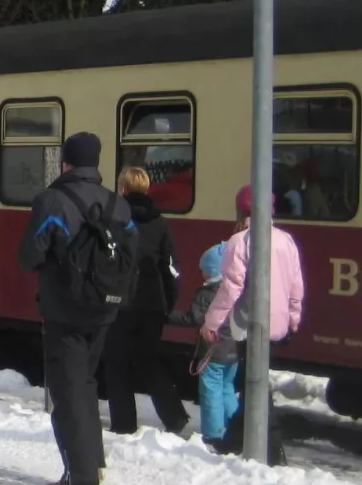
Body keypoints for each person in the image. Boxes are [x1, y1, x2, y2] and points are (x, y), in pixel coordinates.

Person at [16, 132, 137, 485]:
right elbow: (132, 254)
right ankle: (94, 462)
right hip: (104, 309)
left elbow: (28, 257)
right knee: (85, 383)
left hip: (64, 310)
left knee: (68, 391)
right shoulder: (119, 205)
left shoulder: (52, 200)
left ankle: (81, 480)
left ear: (66, 162)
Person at [201, 186, 305, 462]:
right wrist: (293, 319)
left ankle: (272, 450)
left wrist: (211, 321)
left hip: (249, 324)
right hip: (277, 324)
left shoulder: (240, 240)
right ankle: (233, 440)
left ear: (241, 210)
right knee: (253, 383)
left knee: (255, 386)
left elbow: (231, 287)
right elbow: (296, 285)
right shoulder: (286, 241)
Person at [102, 167, 187, 436]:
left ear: (123, 189)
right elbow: (171, 268)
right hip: (152, 305)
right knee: (149, 362)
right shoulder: (161, 223)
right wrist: (167, 303)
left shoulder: (114, 221)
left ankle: (124, 425)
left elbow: (107, 263)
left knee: (117, 364)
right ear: (147, 189)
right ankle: (175, 418)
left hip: (120, 304)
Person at [170, 243, 240, 449]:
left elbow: (194, 317)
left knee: (210, 391)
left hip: (213, 351)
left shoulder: (207, 293)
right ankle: (237, 424)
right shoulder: (235, 290)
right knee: (227, 388)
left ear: (211, 270)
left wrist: (168, 316)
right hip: (233, 350)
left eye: (203, 269)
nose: (201, 273)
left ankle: (213, 433)